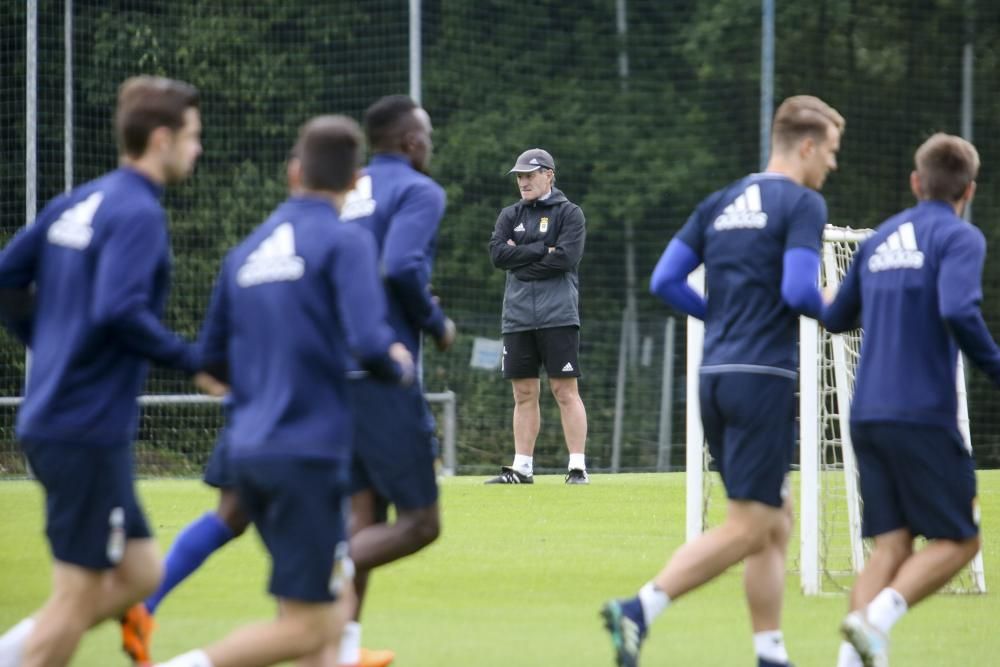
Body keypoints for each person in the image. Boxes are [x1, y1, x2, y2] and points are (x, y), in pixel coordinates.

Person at [155, 115, 414, 667]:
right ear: (356, 180)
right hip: (306, 456)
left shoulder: (244, 253)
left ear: (294, 173)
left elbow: (208, 366)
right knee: (314, 627)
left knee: (314, 616)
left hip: (246, 451)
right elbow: (370, 344)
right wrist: (399, 365)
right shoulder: (346, 242)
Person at [601, 95, 845, 667]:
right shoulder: (803, 203)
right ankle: (639, 608)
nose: (832, 164)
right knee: (751, 523)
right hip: (761, 378)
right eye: (831, 152)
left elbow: (665, 280)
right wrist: (850, 311)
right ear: (806, 146)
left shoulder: (721, 201)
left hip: (714, 375)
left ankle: (770, 651)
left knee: (774, 519)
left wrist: (721, 317)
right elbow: (800, 293)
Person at [0, 75, 204, 667]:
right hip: (83, 427)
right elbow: (120, 310)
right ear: (161, 139)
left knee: (141, 570)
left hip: (59, 417)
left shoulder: (80, 200)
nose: (198, 149)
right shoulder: (138, 212)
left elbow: (8, 277)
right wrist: (194, 362)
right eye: (193, 137)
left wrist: (48, 339)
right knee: (78, 593)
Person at [823, 133, 996, 667]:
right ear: (969, 189)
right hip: (921, 414)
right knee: (961, 541)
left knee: (893, 546)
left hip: (867, 412)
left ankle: (851, 661)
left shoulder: (881, 240)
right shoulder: (960, 238)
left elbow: (834, 317)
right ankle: (877, 619)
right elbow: (960, 310)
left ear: (917, 183)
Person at [335, 94, 455, 667]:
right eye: (427, 135)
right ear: (411, 142)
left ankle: (343, 649)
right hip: (382, 372)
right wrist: (436, 323)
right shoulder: (419, 191)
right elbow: (400, 265)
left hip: (331, 368)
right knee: (420, 523)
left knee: (365, 515)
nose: (430, 144)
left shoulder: (346, 188)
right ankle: (320, 567)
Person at [486, 147, 589, 485]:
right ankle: (522, 467)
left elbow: (565, 258)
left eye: (530, 175)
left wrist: (524, 260)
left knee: (564, 391)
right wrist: (541, 251)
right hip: (516, 317)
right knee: (523, 394)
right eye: (520, 176)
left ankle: (577, 467)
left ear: (549, 174)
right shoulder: (508, 215)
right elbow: (498, 255)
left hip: (558, 314)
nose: (524, 182)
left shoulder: (569, 213)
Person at [119, 399, 249, 665]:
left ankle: (145, 606)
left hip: (248, 418)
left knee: (231, 515)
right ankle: (340, 649)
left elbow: (209, 365)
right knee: (303, 624)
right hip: (293, 429)